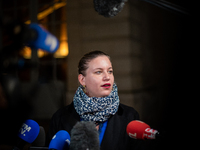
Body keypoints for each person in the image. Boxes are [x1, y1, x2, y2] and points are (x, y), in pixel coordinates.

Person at [47, 50, 144, 150]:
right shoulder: (60, 118)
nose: (107, 77)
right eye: (99, 72)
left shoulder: (129, 116)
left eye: (110, 71)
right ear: (82, 80)